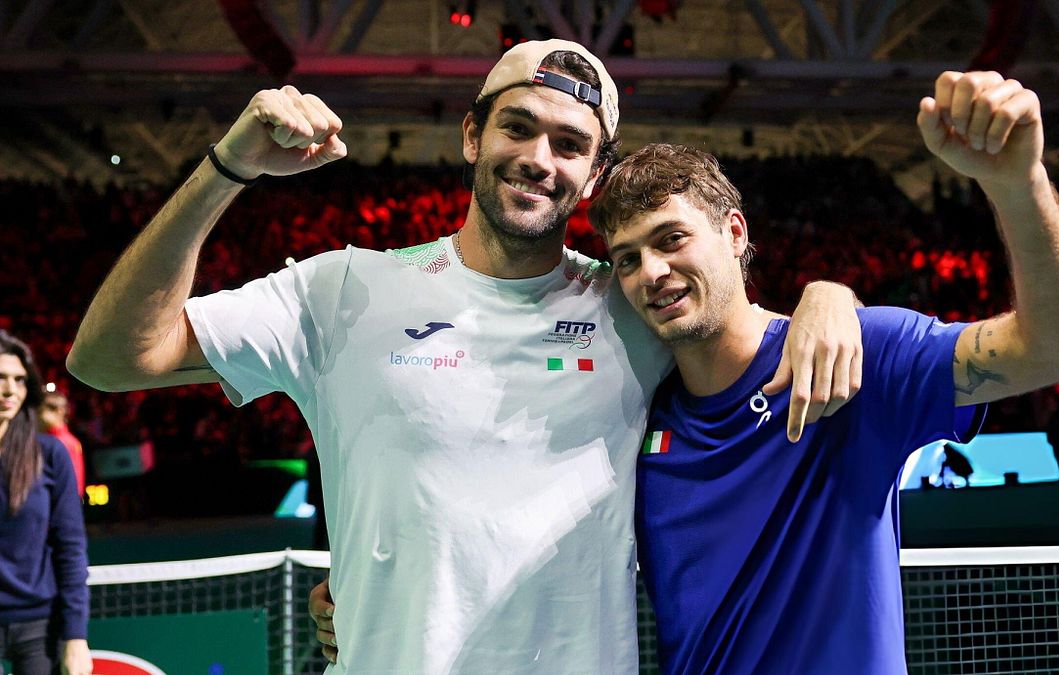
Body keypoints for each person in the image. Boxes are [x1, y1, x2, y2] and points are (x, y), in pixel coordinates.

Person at [67, 39, 862, 673]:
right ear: (473, 135)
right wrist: (227, 170)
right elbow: (108, 358)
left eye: (570, 144)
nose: (539, 157)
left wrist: (831, 295)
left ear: (593, 176)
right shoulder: (342, 290)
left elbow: (751, 332)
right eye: (518, 127)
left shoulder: (631, 307)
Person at [584, 71, 1059, 673]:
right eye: (628, 259)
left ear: (734, 233)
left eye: (672, 239)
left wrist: (1019, 184)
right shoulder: (636, 415)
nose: (651, 272)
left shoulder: (860, 357)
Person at [0, 331, 91, 675]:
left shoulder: (50, 454)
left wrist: (76, 636)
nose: (10, 390)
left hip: (40, 626)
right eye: (1, 378)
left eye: (19, 380)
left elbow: (70, 546)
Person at [38, 392, 85, 497]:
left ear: (60, 411)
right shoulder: (42, 439)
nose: (40, 416)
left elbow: (75, 483)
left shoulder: (69, 443)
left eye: (43, 410)